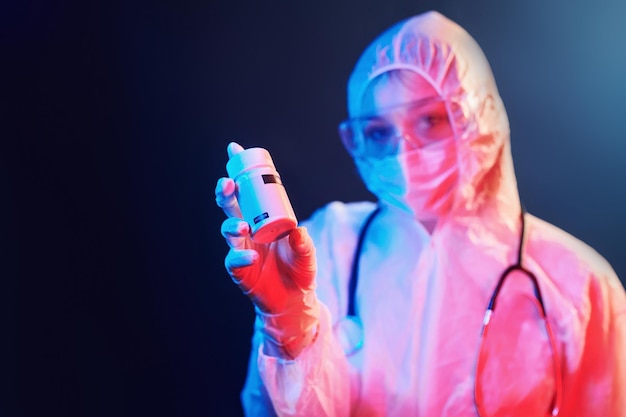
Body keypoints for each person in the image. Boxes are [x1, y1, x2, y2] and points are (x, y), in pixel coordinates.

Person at [215, 10, 626, 417]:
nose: (403, 151)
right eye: (379, 131)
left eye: (430, 119)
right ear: (355, 138)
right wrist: (288, 323)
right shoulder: (322, 247)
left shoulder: (579, 284)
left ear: (479, 117)